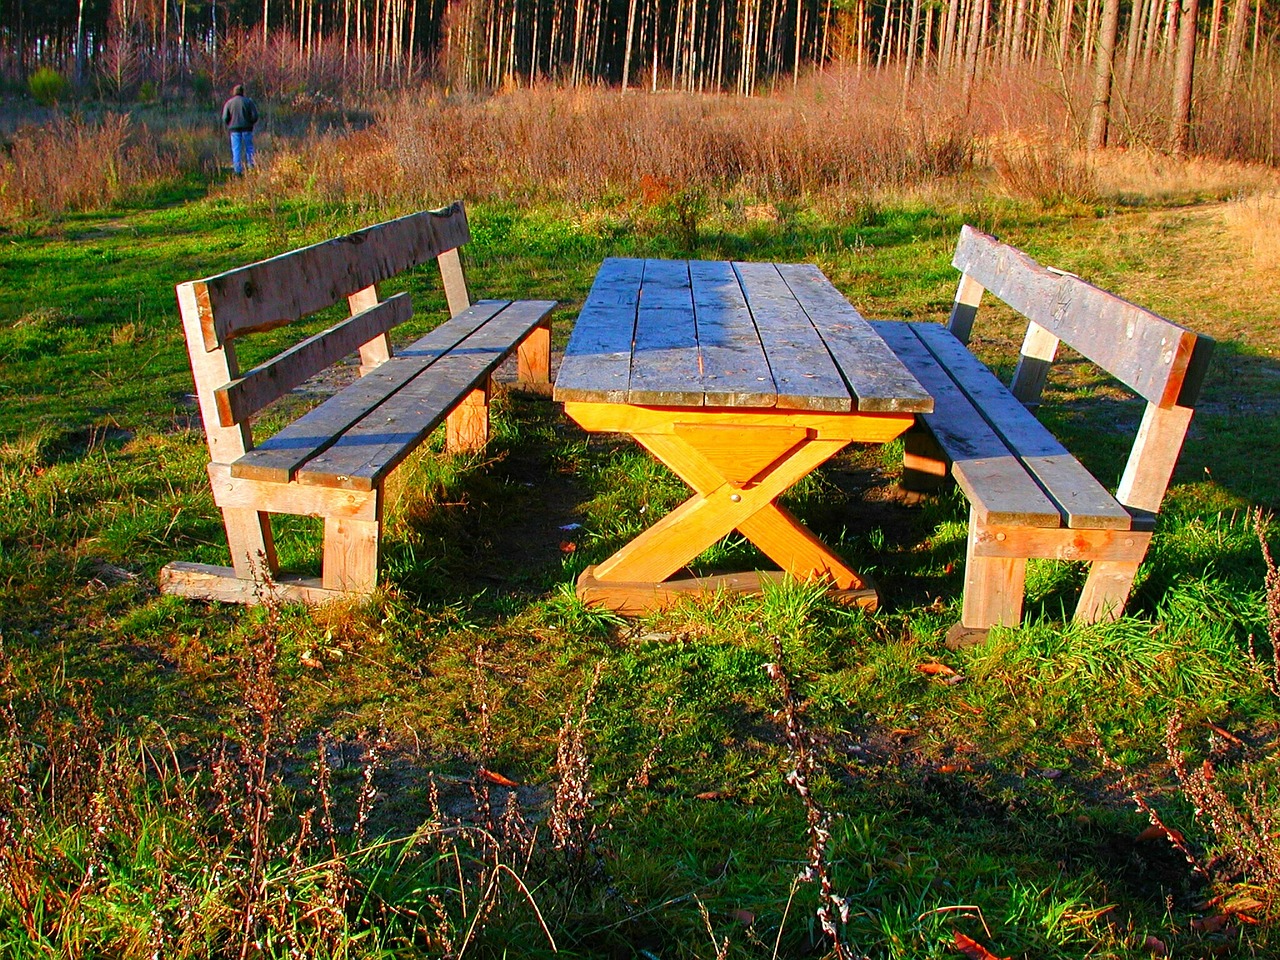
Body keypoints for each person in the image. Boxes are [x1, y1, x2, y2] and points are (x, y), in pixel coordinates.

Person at [221, 83, 259, 174]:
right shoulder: (249, 102)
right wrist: (250, 123)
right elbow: (255, 116)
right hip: (247, 129)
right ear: (243, 92)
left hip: (234, 130)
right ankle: (251, 168)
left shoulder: (229, 103)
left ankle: (238, 170)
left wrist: (229, 124)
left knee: (236, 149)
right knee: (249, 148)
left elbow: (225, 117)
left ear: (234, 92)